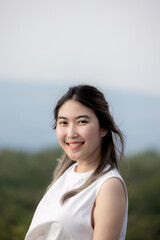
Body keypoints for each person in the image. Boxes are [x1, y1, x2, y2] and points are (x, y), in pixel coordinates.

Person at [25, 84, 128, 240]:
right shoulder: (65, 174)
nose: (71, 133)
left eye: (82, 122)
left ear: (104, 128)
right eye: (64, 123)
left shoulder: (108, 186)